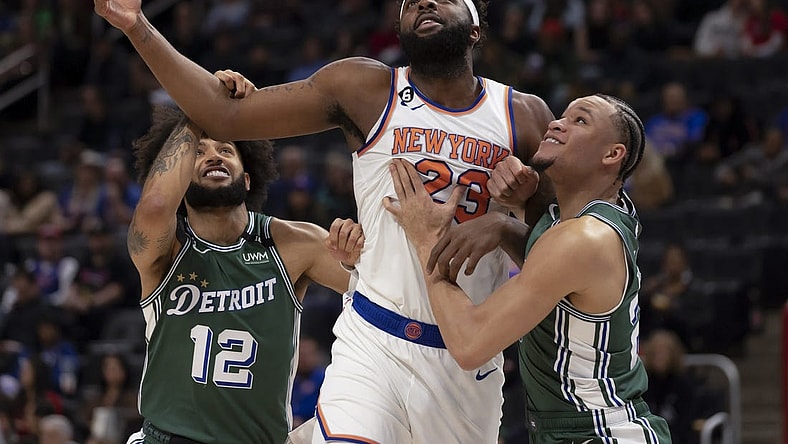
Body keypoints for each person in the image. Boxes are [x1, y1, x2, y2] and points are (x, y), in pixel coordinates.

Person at [94, 1, 555, 442]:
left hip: (465, 352)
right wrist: (136, 25)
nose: (425, 3)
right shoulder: (365, 88)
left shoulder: (524, 116)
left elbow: (552, 258)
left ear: (476, 30)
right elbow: (225, 115)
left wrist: (514, 215)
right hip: (374, 340)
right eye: (412, 2)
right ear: (399, 32)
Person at [384, 94, 673, 443]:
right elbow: (555, 280)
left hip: (600, 431)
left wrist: (427, 239)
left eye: (580, 121)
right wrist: (509, 221)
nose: (556, 123)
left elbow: (470, 344)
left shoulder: (584, 237)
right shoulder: (591, 220)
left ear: (612, 155)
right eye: (562, 116)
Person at [123, 106, 364, 444]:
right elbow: (155, 205)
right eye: (199, 151)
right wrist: (202, 108)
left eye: (225, 150)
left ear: (247, 177)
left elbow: (385, 291)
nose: (213, 156)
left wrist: (354, 263)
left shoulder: (292, 243)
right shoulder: (165, 252)